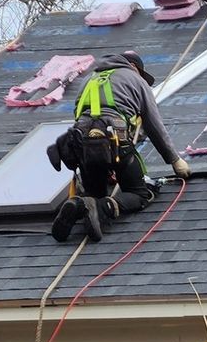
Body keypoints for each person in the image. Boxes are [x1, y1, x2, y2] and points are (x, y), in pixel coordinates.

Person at [46, 49, 192, 242]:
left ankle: (78, 204)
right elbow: (153, 125)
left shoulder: (89, 79)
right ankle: (103, 208)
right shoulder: (135, 79)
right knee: (140, 193)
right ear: (133, 66)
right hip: (115, 141)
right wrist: (174, 160)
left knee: (94, 194)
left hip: (82, 145)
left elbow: (80, 116)